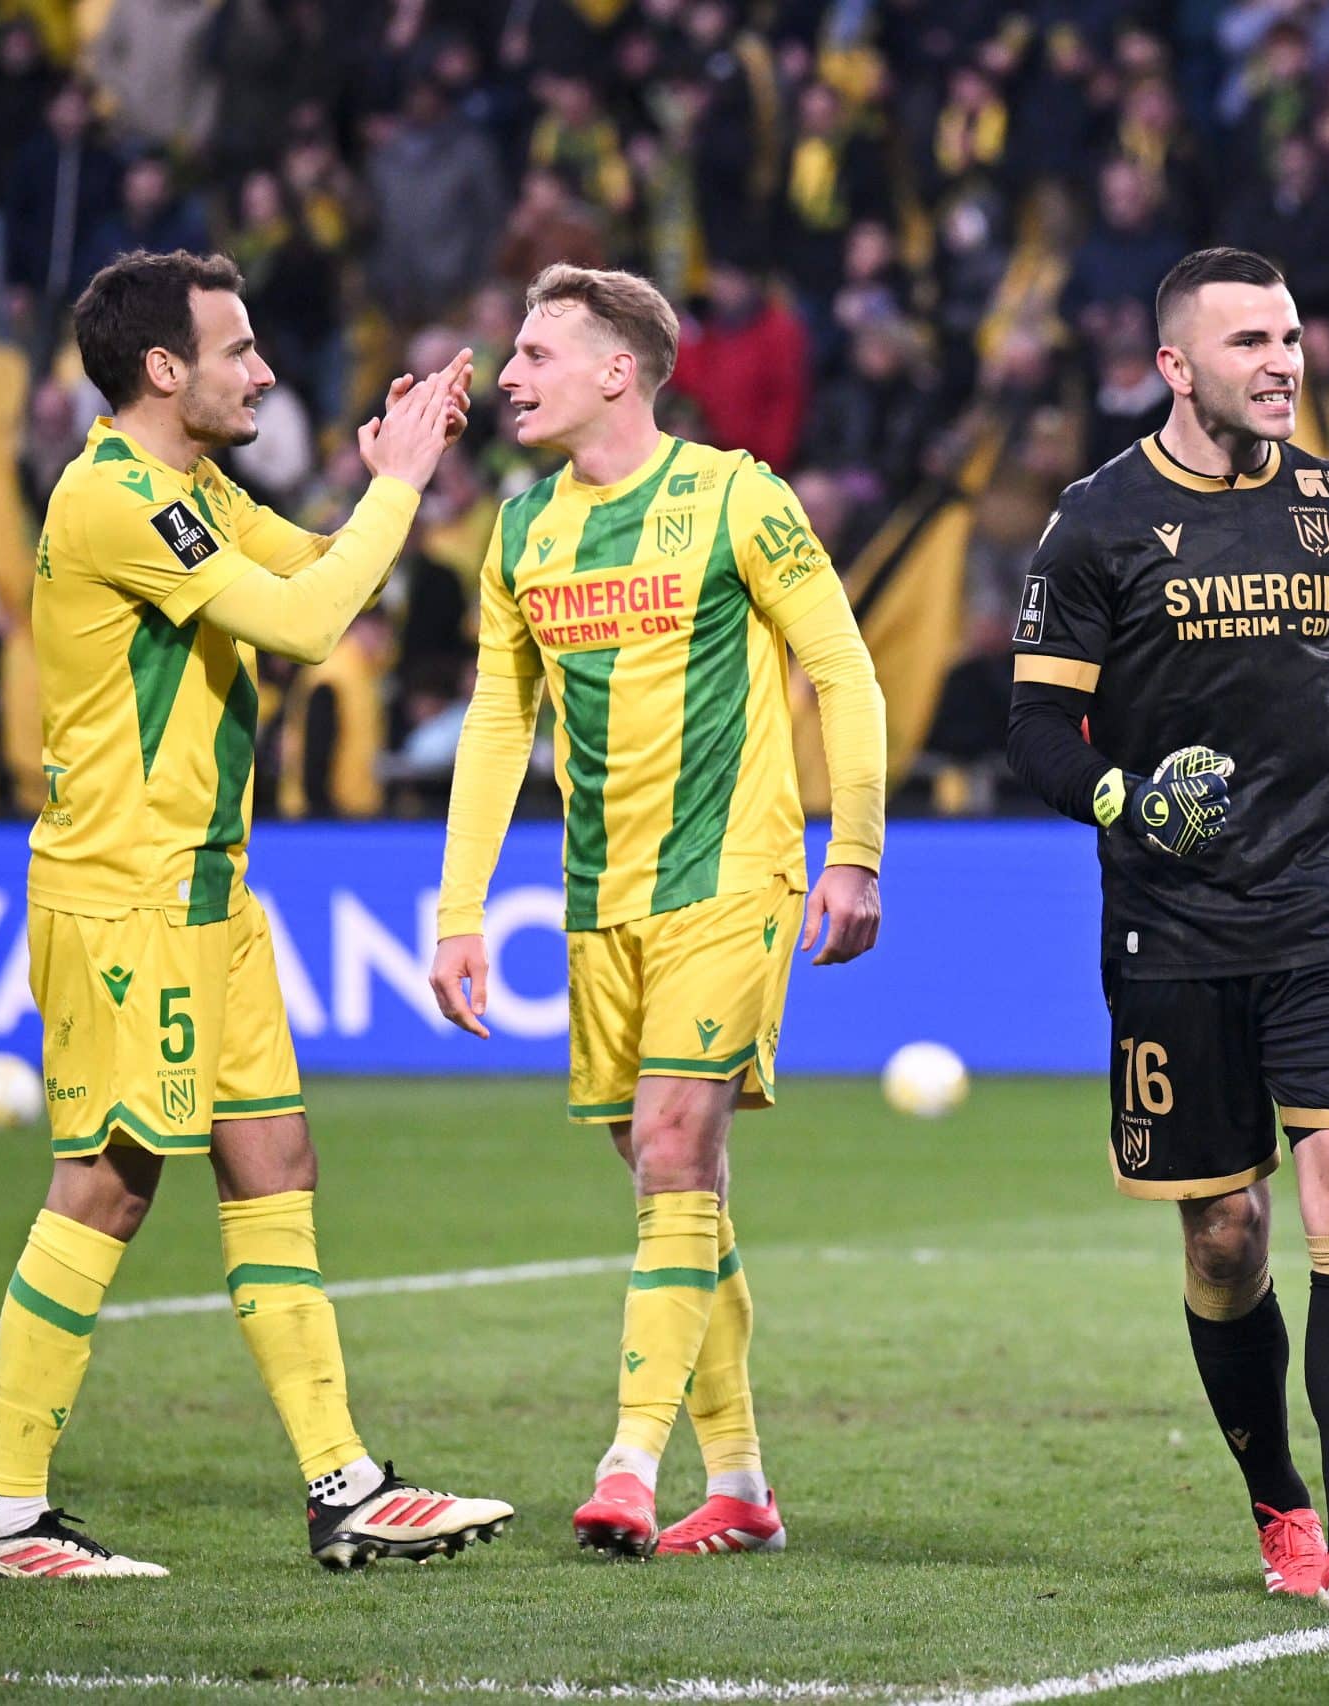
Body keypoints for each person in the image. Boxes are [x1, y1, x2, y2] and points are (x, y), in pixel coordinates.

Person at [0, 249, 513, 1578]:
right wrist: (400, 484)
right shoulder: (115, 499)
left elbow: (324, 565)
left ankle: (345, 1488)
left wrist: (387, 482)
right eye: (240, 348)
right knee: (108, 1183)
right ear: (165, 369)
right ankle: (8, 1513)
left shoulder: (192, 489)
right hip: (124, 896)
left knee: (275, 1163)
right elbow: (311, 623)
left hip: (210, 894)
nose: (265, 369)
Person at [1001, 248, 1329, 1614]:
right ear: (1176, 365)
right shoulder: (1098, 524)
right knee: (1226, 1234)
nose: (1283, 360)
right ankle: (1281, 1507)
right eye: (1250, 341)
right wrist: (1123, 796)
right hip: (1174, 931)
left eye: (1291, 335)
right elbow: (1029, 728)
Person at [427, 264, 887, 1561]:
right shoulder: (519, 533)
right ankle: (738, 1480)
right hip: (595, 899)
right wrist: (461, 906)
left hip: (732, 874)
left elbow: (841, 666)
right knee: (675, 1187)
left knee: (677, 1151)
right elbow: (497, 720)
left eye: (532, 353)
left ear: (616, 369)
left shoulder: (737, 496)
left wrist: (853, 846)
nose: (507, 375)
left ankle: (629, 1462)